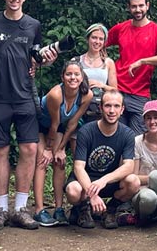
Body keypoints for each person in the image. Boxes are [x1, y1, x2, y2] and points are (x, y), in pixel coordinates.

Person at [0, 0, 57, 232]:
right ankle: (1, 210)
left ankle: (20, 208)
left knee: (29, 149)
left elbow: (36, 58)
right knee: (0, 152)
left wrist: (45, 60)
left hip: (25, 96)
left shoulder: (33, 25)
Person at [65, 89, 140, 229]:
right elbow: (78, 167)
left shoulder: (127, 133)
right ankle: (83, 208)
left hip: (108, 182)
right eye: (108, 106)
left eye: (116, 106)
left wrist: (104, 180)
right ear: (100, 108)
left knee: (133, 182)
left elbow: (129, 166)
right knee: (72, 190)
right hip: (85, 181)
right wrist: (92, 194)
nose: (112, 111)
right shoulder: (86, 131)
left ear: (122, 109)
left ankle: (110, 209)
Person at [106, 0, 157, 135]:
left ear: (147, 5)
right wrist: (106, 63)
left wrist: (143, 61)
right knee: (116, 137)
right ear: (129, 7)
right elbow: (99, 44)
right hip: (118, 90)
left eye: (141, 5)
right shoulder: (121, 28)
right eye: (134, 6)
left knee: (138, 140)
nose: (138, 10)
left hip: (140, 93)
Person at [33, 60, 93, 226]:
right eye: (68, 74)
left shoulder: (86, 95)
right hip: (39, 124)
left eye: (76, 74)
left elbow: (72, 124)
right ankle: (39, 210)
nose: (72, 77)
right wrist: (47, 149)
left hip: (59, 126)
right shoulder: (56, 94)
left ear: (82, 77)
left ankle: (59, 209)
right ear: (62, 77)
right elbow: (53, 124)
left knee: (59, 161)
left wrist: (60, 149)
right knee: (42, 162)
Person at [73, 23, 117, 123]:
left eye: (101, 39)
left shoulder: (108, 62)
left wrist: (101, 85)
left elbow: (115, 90)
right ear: (88, 39)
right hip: (79, 107)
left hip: (99, 110)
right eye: (94, 38)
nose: (97, 42)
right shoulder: (76, 61)